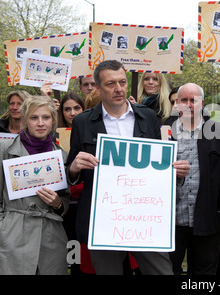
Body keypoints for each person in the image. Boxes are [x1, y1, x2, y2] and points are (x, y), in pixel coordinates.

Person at [66, 60, 181, 275]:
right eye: (110, 84)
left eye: (122, 82)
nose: (118, 89)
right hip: (104, 219)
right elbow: (72, 173)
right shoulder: (82, 122)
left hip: (145, 216)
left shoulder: (146, 116)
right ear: (98, 88)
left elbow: (158, 165)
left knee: (162, 271)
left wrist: (174, 170)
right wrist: (74, 167)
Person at [0, 95, 70, 274]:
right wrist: (5, 227)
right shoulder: (4, 149)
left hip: (51, 237)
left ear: (53, 120)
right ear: (25, 120)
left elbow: (66, 200)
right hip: (13, 233)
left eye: (45, 117)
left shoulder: (61, 156)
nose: (40, 123)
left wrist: (58, 204)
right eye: (34, 117)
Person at [167, 83, 220, 275]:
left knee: (205, 272)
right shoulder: (163, 131)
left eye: (194, 100)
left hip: (206, 218)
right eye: (184, 100)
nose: (189, 104)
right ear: (177, 103)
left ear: (203, 104)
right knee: (167, 270)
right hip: (171, 220)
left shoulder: (217, 132)